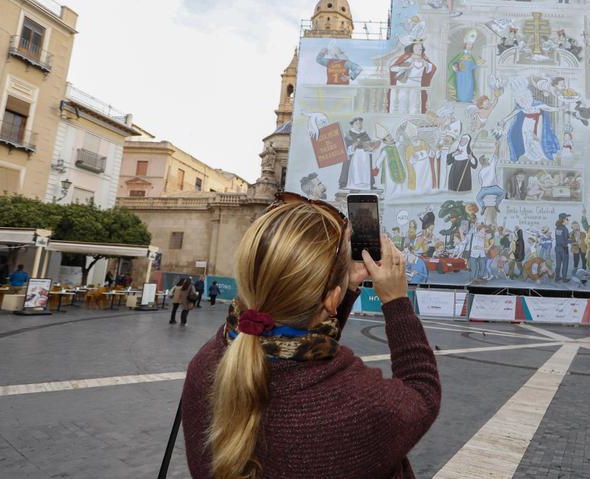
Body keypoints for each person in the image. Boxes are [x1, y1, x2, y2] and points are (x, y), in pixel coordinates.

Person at [181, 196, 440, 479]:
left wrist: (343, 289)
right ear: (332, 299)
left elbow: (293, 346)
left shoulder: (204, 366)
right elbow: (422, 394)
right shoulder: (360, 406)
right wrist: (396, 300)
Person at [554, 213, 570, 282]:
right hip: (564, 249)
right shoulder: (565, 229)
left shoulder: (557, 228)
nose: (568, 220)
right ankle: (564, 278)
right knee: (565, 264)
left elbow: (559, 238)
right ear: (563, 220)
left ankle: (557, 277)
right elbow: (567, 240)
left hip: (557, 248)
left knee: (558, 264)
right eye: (567, 219)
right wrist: (575, 240)